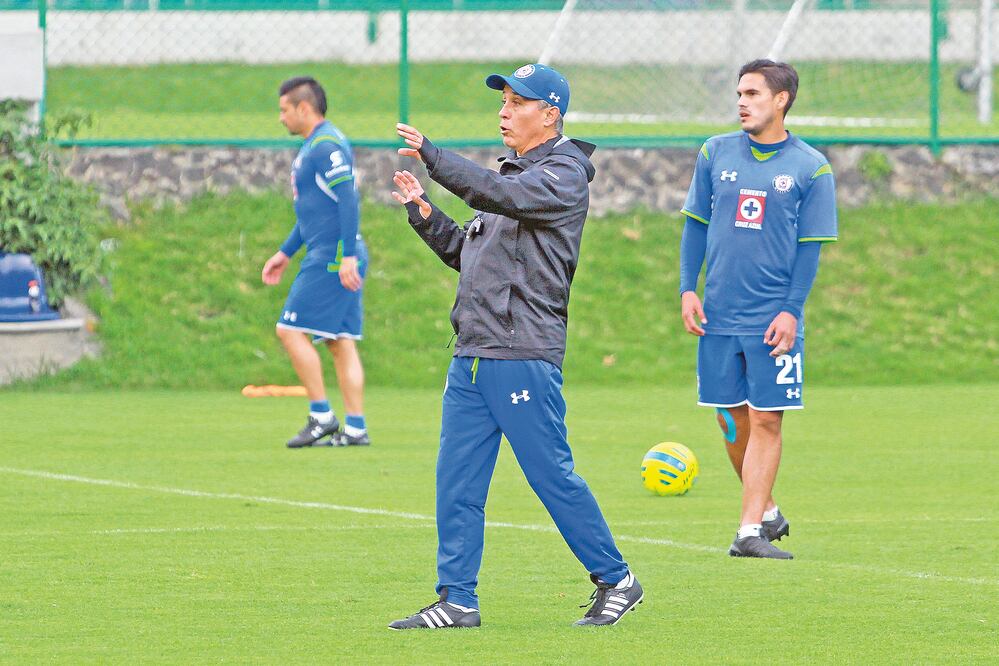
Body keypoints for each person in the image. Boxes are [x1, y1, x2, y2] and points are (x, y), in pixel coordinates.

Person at [387, 63, 642, 629]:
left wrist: (433, 155)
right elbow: (467, 255)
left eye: (516, 102)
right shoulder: (514, 176)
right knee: (457, 484)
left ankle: (617, 579)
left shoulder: (563, 175)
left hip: (522, 352)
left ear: (549, 114)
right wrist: (424, 213)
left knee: (551, 476)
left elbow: (496, 192)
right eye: (502, 101)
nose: (504, 111)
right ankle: (457, 600)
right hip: (473, 354)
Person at [679, 59, 838, 559]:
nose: (742, 102)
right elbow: (696, 225)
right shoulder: (714, 152)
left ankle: (748, 532)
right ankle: (766, 509)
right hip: (719, 316)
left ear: (781, 100)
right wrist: (688, 287)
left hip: (772, 318)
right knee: (731, 420)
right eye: (740, 94)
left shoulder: (811, 167)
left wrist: (791, 309)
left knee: (767, 420)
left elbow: (810, 246)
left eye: (753, 93)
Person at [260, 77, 370, 449]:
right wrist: (285, 252)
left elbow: (348, 200)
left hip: (332, 256)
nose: (281, 118)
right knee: (340, 341)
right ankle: (355, 428)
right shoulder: (314, 146)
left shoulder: (326, 145)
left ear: (303, 108)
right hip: (331, 251)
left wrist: (347, 257)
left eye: (284, 109)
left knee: (289, 330)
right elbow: (313, 211)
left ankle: (321, 416)